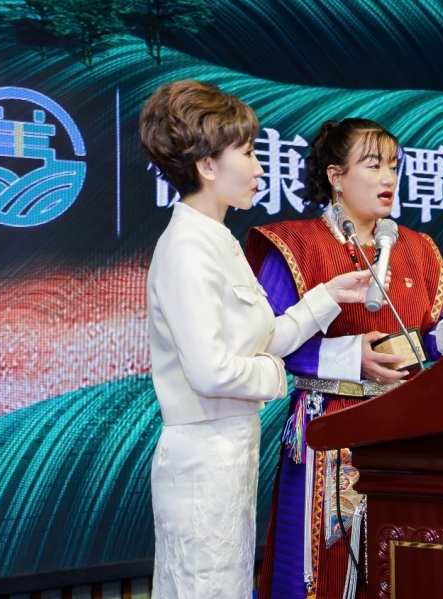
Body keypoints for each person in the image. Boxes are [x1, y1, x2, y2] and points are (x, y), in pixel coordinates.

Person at [141, 81, 376, 599]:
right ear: (207, 165)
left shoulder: (217, 239)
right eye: (247, 153)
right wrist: (277, 375)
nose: (259, 167)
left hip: (229, 454)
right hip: (203, 459)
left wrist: (327, 296)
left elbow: (266, 336)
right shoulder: (186, 248)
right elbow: (212, 371)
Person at [246, 118, 443, 599]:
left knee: (401, 562)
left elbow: (420, 339)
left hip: (406, 430)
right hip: (330, 429)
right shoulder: (295, 245)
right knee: (318, 570)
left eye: (394, 166)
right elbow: (264, 341)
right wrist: (351, 357)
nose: (389, 177)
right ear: (336, 176)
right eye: (373, 165)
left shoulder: (419, 250)